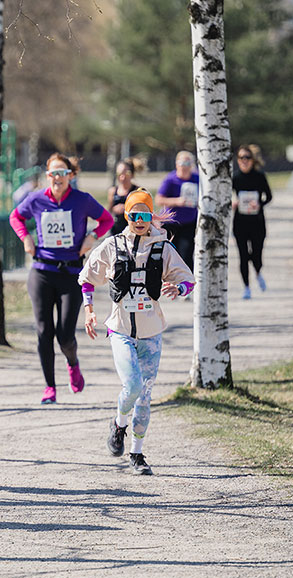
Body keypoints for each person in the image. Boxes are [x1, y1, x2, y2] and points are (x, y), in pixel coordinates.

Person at [78, 188, 195, 475]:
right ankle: (119, 425)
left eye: (145, 214)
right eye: (134, 214)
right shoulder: (111, 246)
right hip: (119, 329)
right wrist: (89, 310)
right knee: (131, 385)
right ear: (127, 215)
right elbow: (86, 279)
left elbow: (188, 280)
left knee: (145, 393)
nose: (139, 220)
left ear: (151, 216)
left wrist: (177, 288)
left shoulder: (162, 248)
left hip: (151, 332)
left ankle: (137, 454)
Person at [9, 152, 115, 404]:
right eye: (53, 173)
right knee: (44, 330)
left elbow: (107, 219)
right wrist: (25, 237)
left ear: (70, 176)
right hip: (42, 271)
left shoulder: (82, 200)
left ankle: (73, 363)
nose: (57, 177)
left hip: (71, 274)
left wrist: (91, 237)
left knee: (65, 335)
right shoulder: (35, 200)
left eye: (62, 173)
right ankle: (49, 387)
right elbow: (16, 217)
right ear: (47, 177)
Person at [232, 145, 273, 299]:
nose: (244, 161)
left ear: (252, 160)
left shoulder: (259, 176)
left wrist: (260, 204)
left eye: (247, 158)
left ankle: (258, 271)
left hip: (257, 222)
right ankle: (247, 288)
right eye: (241, 158)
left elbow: (269, 196)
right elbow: (226, 195)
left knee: (256, 255)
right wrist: (233, 202)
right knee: (243, 256)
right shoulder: (235, 178)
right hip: (240, 223)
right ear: (238, 160)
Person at [154, 151, 199, 270]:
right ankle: (168, 283)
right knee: (169, 255)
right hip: (171, 223)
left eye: (187, 162)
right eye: (181, 162)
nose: (184, 166)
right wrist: (177, 201)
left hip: (189, 223)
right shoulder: (170, 179)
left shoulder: (197, 179)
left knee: (186, 254)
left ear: (192, 165)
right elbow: (159, 199)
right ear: (176, 164)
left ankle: (187, 285)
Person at [107, 158, 142, 236]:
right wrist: (114, 209)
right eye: (119, 174)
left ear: (132, 174)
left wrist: (126, 208)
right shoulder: (113, 191)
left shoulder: (137, 191)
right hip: (116, 231)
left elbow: (142, 212)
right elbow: (109, 212)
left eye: (126, 174)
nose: (122, 177)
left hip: (132, 232)